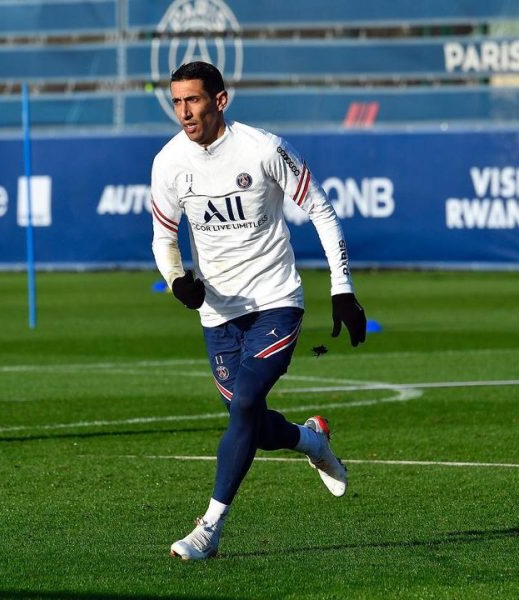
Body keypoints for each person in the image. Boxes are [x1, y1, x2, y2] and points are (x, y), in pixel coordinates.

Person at [150, 61, 367, 560]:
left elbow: (321, 209)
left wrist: (342, 289)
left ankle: (209, 528)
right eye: (178, 101)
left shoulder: (262, 148)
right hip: (218, 315)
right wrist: (177, 280)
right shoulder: (168, 163)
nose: (184, 112)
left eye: (195, 100)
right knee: (245, 418)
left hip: (275, 301)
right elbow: (164, 236)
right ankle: (310, 441)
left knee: (245, 405)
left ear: (220, 100)